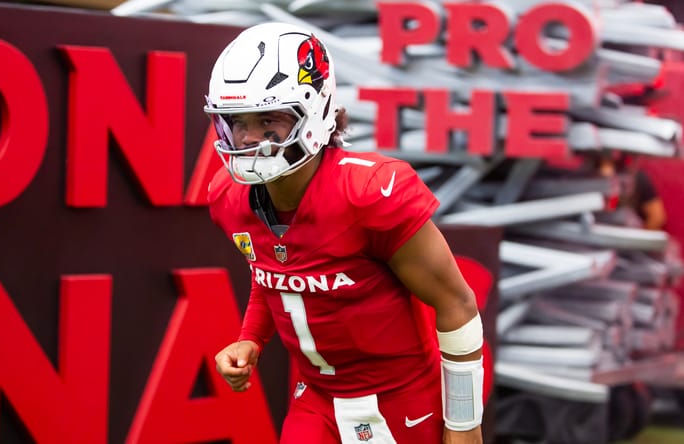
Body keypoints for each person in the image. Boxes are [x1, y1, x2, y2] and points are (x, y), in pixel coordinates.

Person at [205, 22, 484, 444]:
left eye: (268, 120)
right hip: (316, 400)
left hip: (401, 401)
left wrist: (464, 425)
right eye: (237, 122)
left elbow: (457, 304)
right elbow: (273, 271)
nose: (248, 139)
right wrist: (251, 339)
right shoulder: (230, 197)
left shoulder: (369, 193)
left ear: (314, 112)